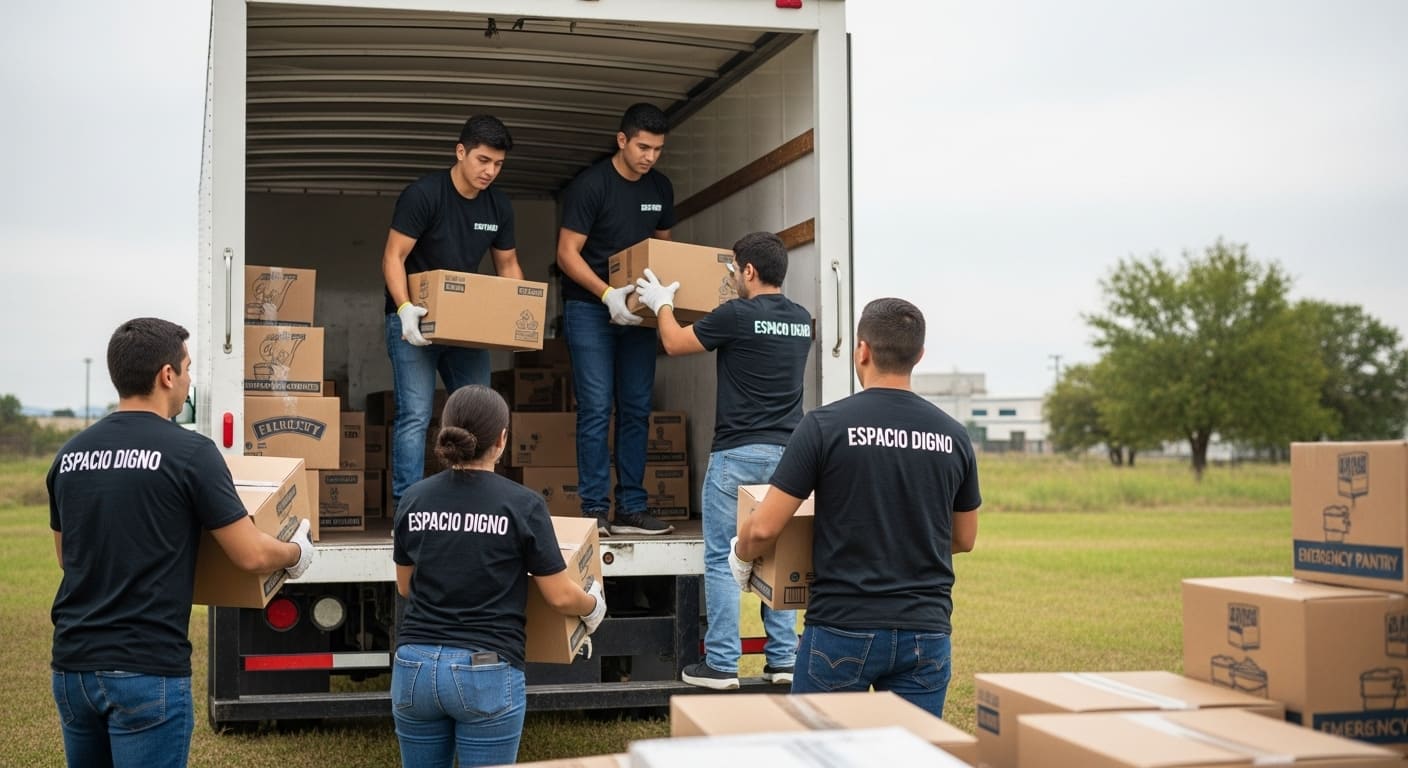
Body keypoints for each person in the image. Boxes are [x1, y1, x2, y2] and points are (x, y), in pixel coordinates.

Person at [47, 317, 315, 768]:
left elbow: (66, 558)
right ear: (166, 375)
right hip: (145, 668)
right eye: (187, 368)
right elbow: (249, 553)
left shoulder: (69, 455)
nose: (190, 380)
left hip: (73, 666)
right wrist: (297, 553)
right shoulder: (190, 453)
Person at [732, 298, 981, 716]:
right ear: (918, 355)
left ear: (861, 350)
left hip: (842, 626)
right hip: (927, 631)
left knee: (819, 755)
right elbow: (964, 538)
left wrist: (741, 557)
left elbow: (762, 529)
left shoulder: (824, 426)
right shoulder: (953, 436)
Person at [392, 385, 606, 768]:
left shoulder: (414, 498)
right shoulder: (523, 504)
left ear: (446, 430)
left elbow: (406, 586)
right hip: (485, 669)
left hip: (415, 666)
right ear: (502, 439)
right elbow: (558, 596)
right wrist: (593, 607)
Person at [633, 231, 812, 690]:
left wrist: (661, 304)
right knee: (776, 550)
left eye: (733, 268)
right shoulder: (800, 320)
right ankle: (783, 660)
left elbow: (673, 343)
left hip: (737, 454)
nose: (731, 276)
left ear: (749, 271)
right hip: (788, 458)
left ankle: (722, 665)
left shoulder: (736, 315)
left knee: (721, 556)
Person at [382, 114, 524, 505]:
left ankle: (470, 501)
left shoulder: (498, 205)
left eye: (498, 164)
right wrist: (405, 308)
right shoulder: (424, 195)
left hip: (465, 324)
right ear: (460, 152)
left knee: (481, 413)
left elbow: (508, 265)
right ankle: (406, 507)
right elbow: (394, 256)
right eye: (483, 160)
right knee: (416, 414)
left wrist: (515, 318)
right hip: (413, 321)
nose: (490, 171)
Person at [556, 102, 677, 537]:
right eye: (643, 147)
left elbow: (663, 251)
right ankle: (594, 509)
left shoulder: (660, 188)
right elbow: (566, 254)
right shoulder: (592, 186)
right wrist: (607, 294)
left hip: (639, 311)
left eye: (658, 149)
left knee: (637, 408)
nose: (650, 157)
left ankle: (631, 506)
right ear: (622, 140)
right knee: (595, 408)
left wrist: (655, 300)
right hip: (590, 308)